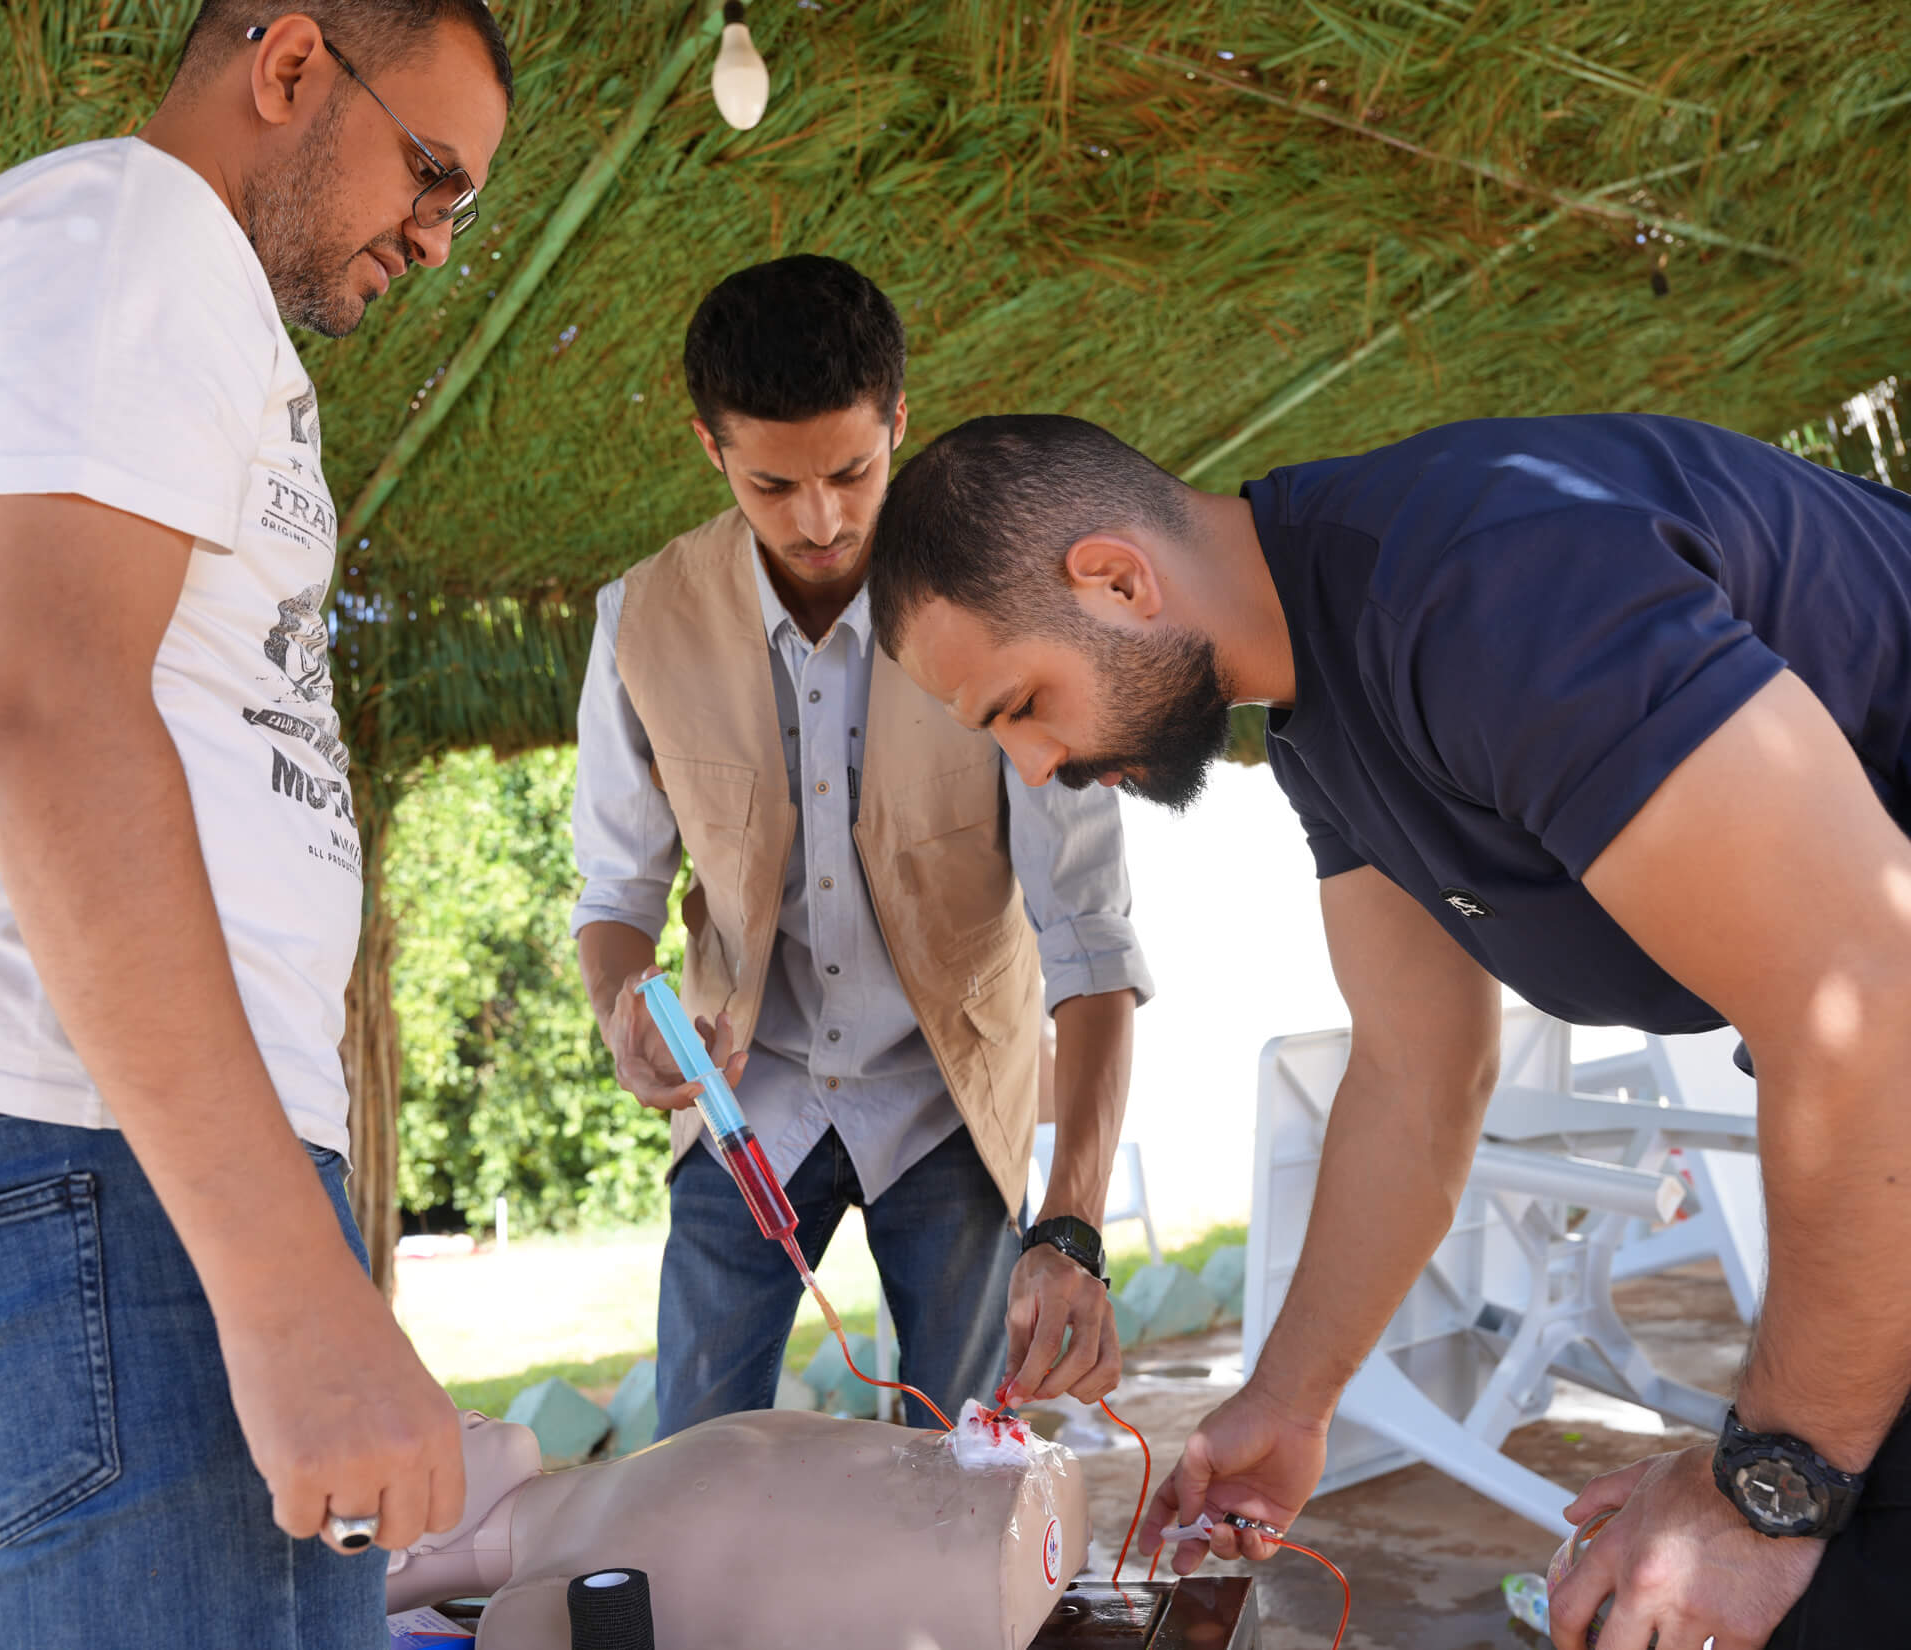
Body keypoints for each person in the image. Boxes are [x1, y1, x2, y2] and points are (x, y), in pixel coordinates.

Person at [866, 411, 1911, 1650]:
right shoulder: (1327, 709)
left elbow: (1866, 1006)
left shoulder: (1477, 587)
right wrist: (1289, 1401)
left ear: (1116, 580)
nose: (1033, 768)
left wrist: (1766, 1489)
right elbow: (1418, 1074)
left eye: (1022, 704)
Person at [0, 6, 512, 1643]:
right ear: (293, 64)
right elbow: (49, 722)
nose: (434, 239)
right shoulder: (137, 235)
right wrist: (291, 1292)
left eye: (463, 211)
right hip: (87, 1162)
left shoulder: (101, 260)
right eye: (432, 172)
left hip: (26, 1156)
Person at [570, 257, 1154, 1438]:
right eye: (772, 483)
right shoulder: (641, 622)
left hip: (949, 1100)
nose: (820, 519)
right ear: (709, 447)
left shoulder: (1014, 610)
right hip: (746, 1100)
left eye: (852, 471)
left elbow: (1090, 945)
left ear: (900, 420)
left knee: (964, 1471)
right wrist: (619, 1010)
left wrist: (1071, 1225)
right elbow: (615, 893)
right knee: (694, 1456)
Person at [383, 1406, 1090, 1646]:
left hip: (992, 1504)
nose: (449, 1412)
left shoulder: (606, 1485)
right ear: (397, 1555)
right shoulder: (534, 1601)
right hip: (959, 1585)